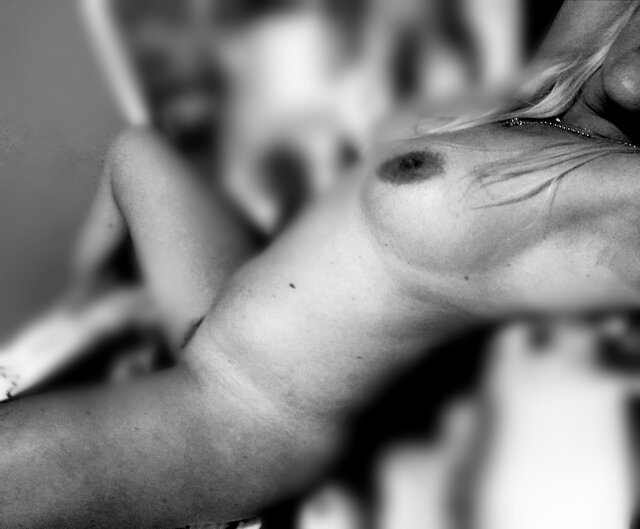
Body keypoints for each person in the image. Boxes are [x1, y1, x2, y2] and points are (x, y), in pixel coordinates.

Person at [4, 1, 640, 527]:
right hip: (220, 324)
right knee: (138, 151)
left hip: (232, 421)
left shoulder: (620, 200)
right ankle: (61, 333)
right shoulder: (551, 96)